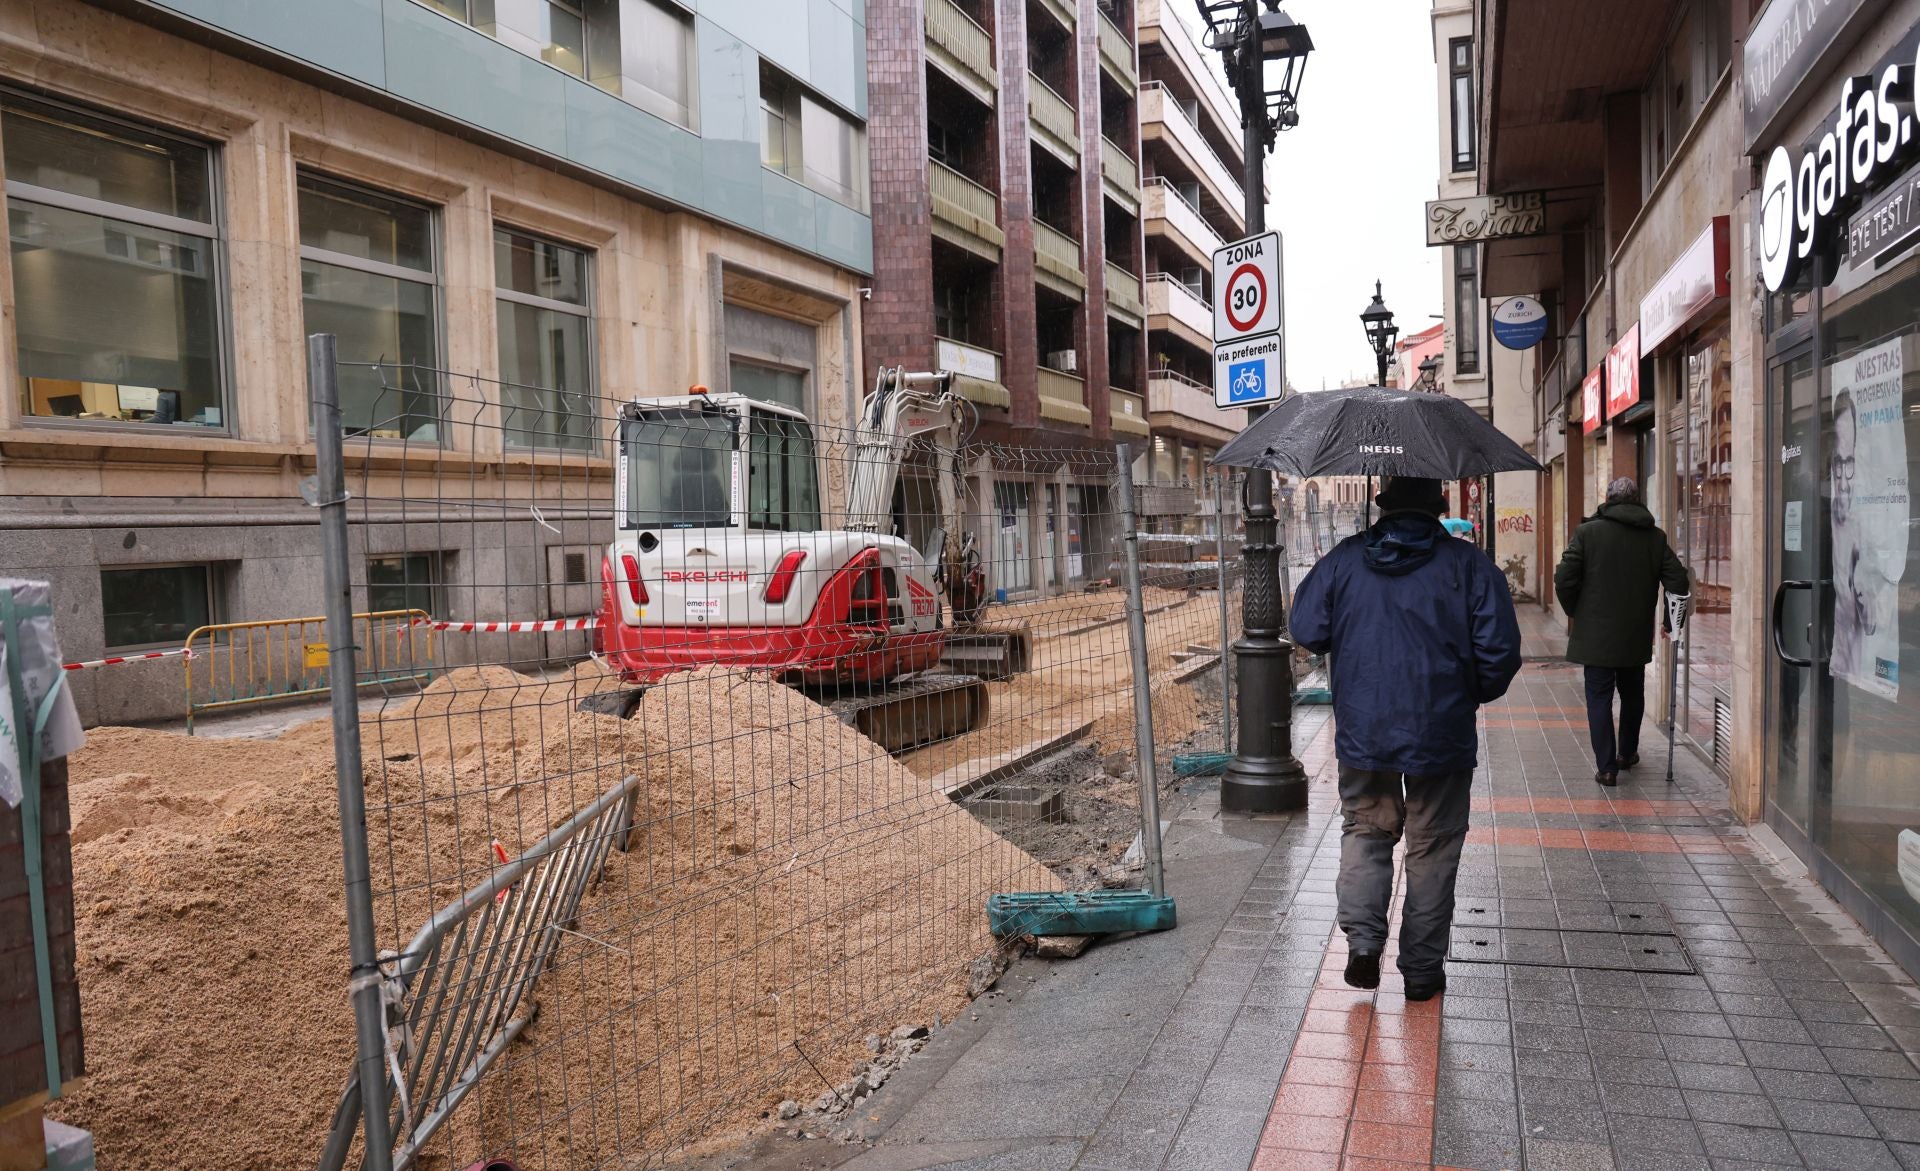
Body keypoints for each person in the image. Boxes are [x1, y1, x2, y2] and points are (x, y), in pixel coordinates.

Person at [1292, 476, 1522, 1001]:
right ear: (1440, 507)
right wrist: (1464, 695)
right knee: (1434, 845)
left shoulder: (1346, 560)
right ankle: (1420, 971)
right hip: (1441, 733)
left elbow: (1306, 628)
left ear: (1382, 504)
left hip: (1363, 729)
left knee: (1366, 831)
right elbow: (1500, 652)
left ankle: (1364, 948)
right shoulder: (1469, 566)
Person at [1553, 477, 1690, 786]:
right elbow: (1678, 581)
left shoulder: (1587, 533)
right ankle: (1627, 754)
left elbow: (1564, 578)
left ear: (1608, 498)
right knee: (1632, 695)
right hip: (1634, 634)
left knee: (1598, 699)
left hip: (1596, 637)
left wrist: (1575, 611)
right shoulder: (1654, 538)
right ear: (1637, 499)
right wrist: (1671, 621)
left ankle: (1606, 768)